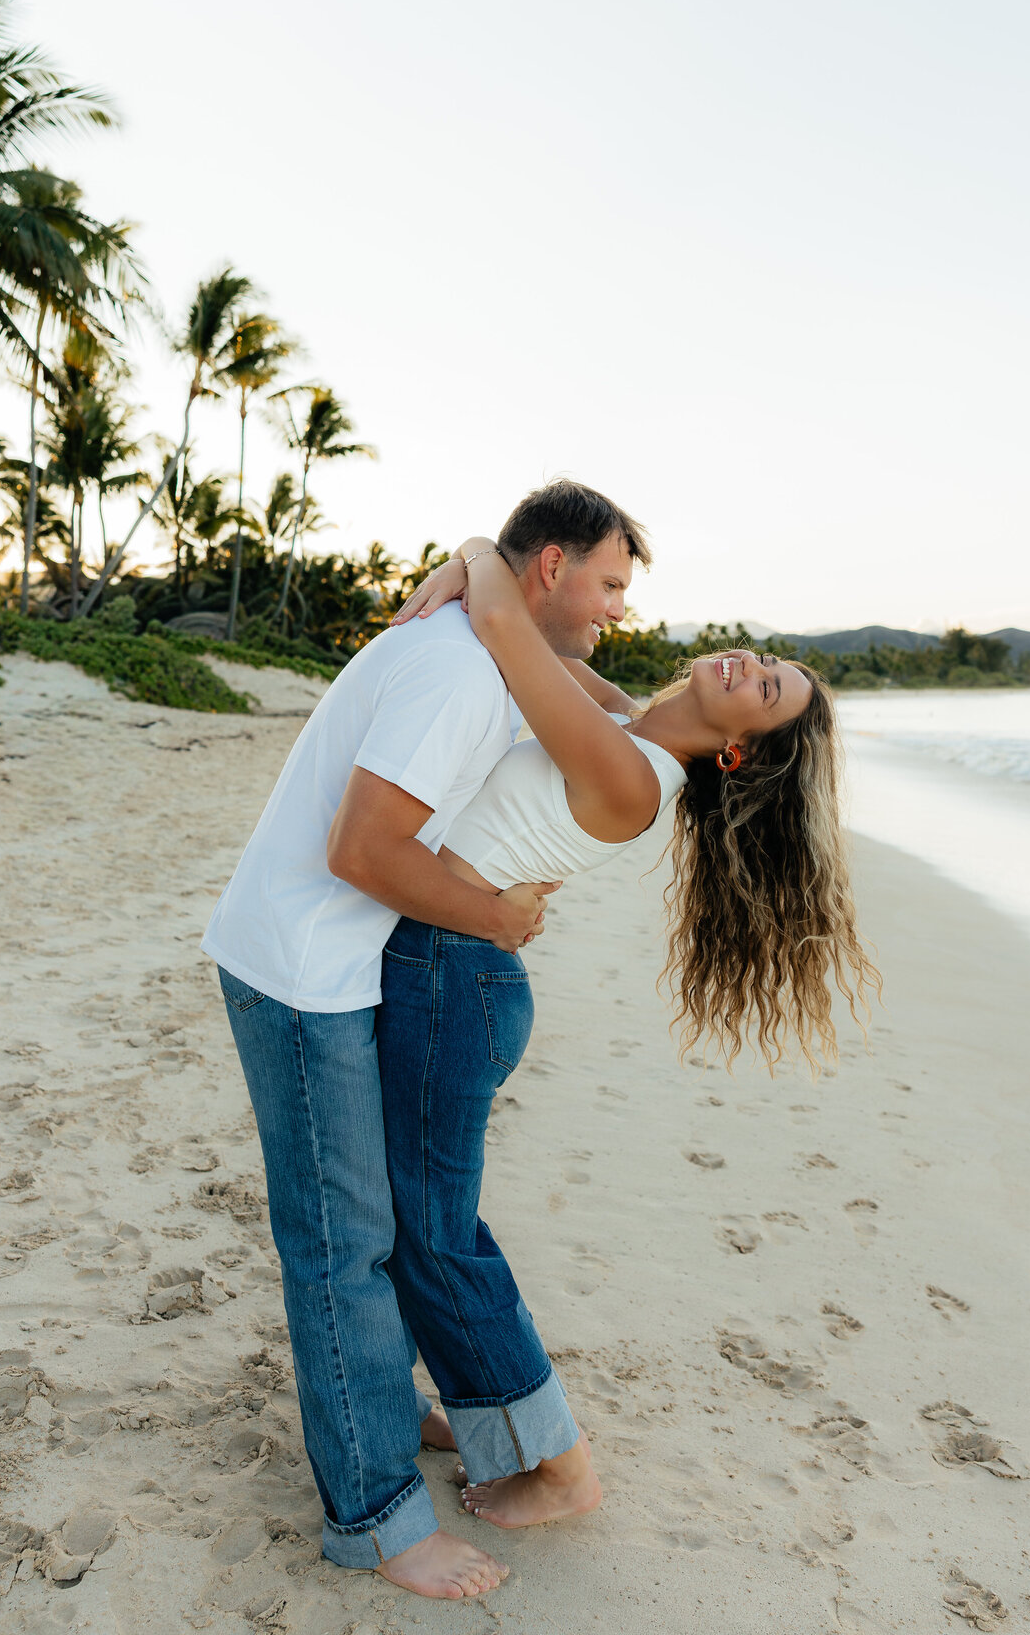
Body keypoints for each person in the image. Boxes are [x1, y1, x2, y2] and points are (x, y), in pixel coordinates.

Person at [200, 480, 650, 1600]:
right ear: (549, 566)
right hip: (303, 967)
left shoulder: (492, 652)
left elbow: (614, 702)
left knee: (378, 1224)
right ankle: (380, 1522)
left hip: (333, 960)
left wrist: (474, 561)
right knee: (343, 1242)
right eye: (606, 585)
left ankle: (391, 1416)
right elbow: (366, 847)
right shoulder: (458, 674)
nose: (616, 612)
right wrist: (497, 917)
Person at [377, 535, 880, 1532]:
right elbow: (550, 654)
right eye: (767, 659)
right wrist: (486, 583)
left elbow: (508, 631)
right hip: (449, 971)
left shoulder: (628, 768)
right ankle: (446, 1406)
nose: (751, 664)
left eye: (767, 688)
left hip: (450, 977)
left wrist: (476, 552)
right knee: (420, 1219)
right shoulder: (626, 726)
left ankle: (561, 1466)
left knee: (432, 1231)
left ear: (738, 751)